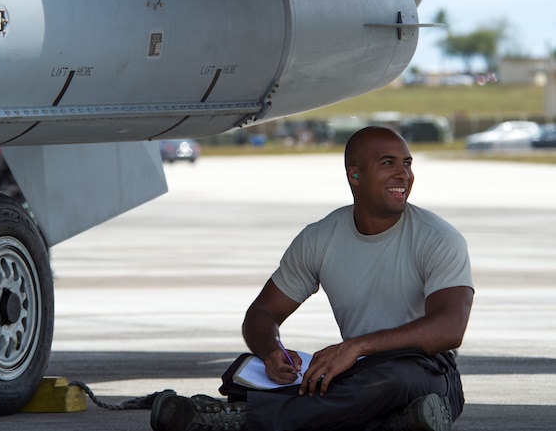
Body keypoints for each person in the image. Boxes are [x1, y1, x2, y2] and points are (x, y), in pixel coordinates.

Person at [150, 126, 474, 431]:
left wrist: (357, 346)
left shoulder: (438, 238)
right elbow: (261, 314)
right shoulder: (320, 237)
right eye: (388, 163)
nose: (403, 174)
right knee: (248, 369)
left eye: (407, 164)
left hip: (428, 371)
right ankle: (401, 421)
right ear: (355, 175)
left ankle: (239, 421)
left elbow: (449, 328)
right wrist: (272, 350)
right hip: (358, 370)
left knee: (390, 381)